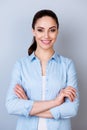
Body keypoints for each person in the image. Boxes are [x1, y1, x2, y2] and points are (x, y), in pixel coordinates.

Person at [6, 9, 79, 130]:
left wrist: (28, 105)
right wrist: (56, 102)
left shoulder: (67, 65)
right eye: (40, 30)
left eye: (52, 30)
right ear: (33, 31)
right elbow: (11, 106)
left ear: (57, 32)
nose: (46, 36)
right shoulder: (21, 65)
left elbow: (72, 109)